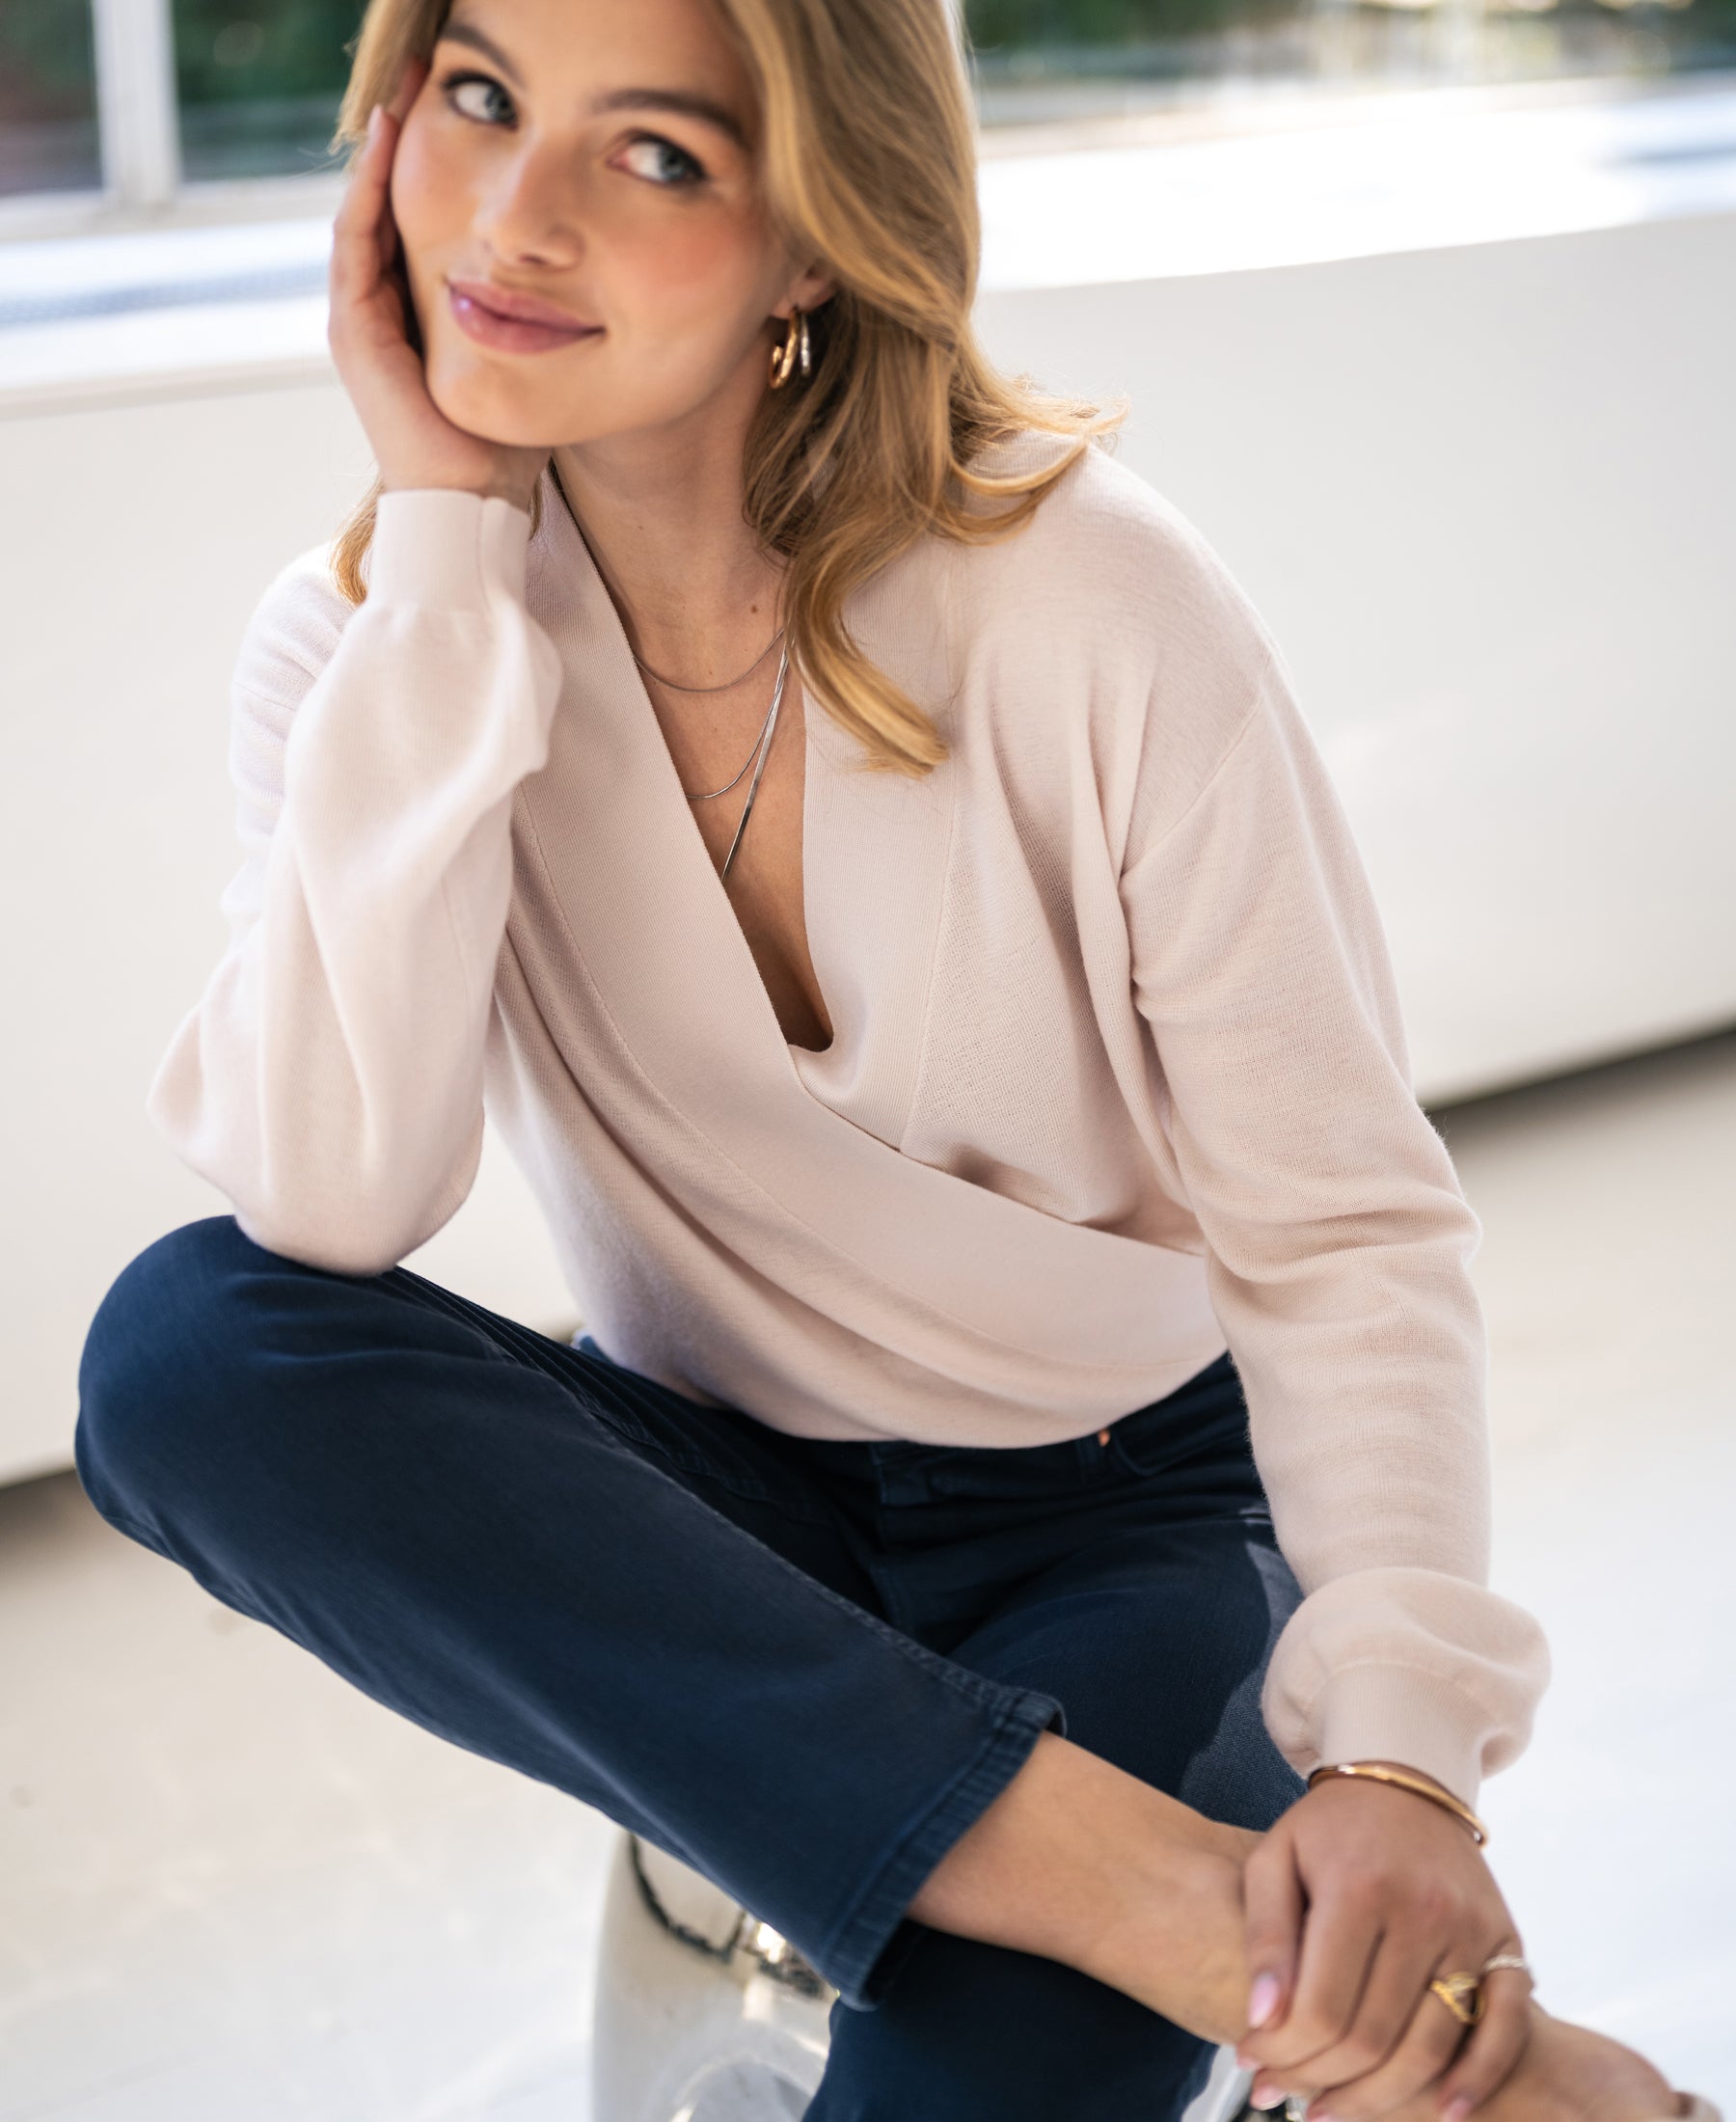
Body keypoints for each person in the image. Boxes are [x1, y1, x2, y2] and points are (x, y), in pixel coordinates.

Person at [72, 2, 1718, 2118]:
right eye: (477, 100)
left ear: (819, 236)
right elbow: (332, 1198)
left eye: (651, 154)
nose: (517, 214)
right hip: (720, 1512)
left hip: (1122, 1511)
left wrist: (1400, 1749)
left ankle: (1178, 1920)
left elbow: (1342, 1218)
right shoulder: (373, 641)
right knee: (186, 1353)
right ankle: (1215, 1927)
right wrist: (451, 555)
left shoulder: (1092, 596)